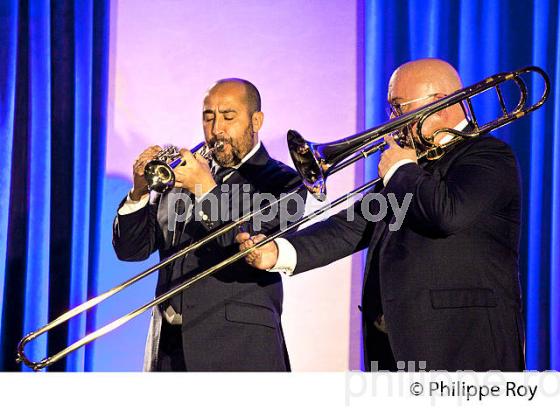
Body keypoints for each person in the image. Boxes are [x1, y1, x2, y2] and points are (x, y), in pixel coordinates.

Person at [237, 59, 525, 371]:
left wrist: (402, 169)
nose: (392, 120)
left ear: (440, 104)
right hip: (394, 353)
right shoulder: (415, 166)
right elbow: (351, 227)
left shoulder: (489, 156)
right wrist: (277, 252)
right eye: (391, 108)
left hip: (464, 350)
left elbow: (447, 214)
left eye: (400, 107)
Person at [113, 79, 306, 371]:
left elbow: (245, 243)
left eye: (229, 117)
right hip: (167, 352)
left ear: (256, 120)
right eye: (208, 117)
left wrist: (205, 189)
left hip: (240, 351)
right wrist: (139, 192)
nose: (216, 129)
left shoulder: (283, 182)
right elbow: (132, 250)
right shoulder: (181, 174)